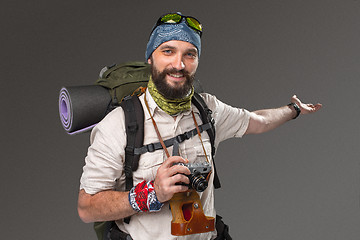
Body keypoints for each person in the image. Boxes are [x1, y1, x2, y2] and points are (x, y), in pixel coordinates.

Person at [77, 12, 322, 240]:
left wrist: (294, 110)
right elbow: (87, 207)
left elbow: (257, 121)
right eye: (168, 51)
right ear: (150, 58)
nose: (179, 64)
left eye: (189, 54)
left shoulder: (207, 109)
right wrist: (151, 193)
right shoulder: (118, 124)